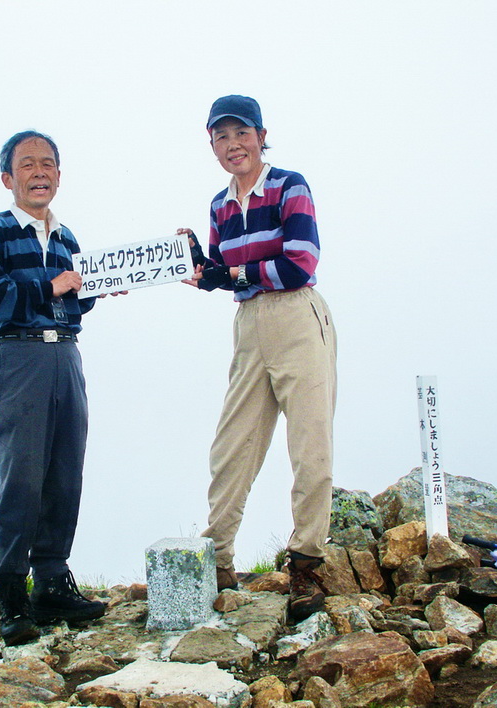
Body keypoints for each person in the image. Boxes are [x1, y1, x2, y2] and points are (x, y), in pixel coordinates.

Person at [180, 95, 338, 621]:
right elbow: (221, 273)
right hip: (249, 326)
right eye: (221, 137)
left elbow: (300, 262)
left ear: (261, 135)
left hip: (297, 317)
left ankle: (306, 565)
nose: (233, 145)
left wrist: (234, 276)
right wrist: (197, 264)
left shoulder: (289, 185)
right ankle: (218, 560)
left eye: (241, 133)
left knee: (309, 442)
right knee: (233, 445)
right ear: (212, 145)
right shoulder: (219, 206)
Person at [0, 130, 106, 645]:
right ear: (8, 178)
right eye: (27, 164)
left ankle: (52, 583)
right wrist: (49, 287)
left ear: (59, 175)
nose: (39, 172)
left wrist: (93, 289)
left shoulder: (68, 239)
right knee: (21, 476)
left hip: (66, 354)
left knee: (65, 471)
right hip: (18, 356)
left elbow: (74, 303)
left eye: (48, 163)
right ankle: (11, 594)